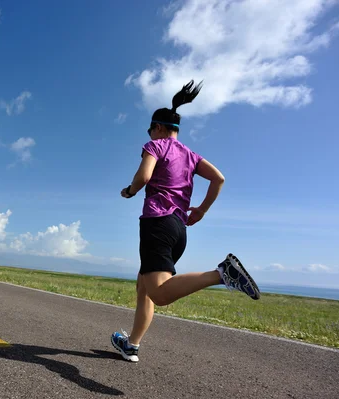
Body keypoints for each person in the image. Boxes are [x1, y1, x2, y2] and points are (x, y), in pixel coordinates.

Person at [111, 80, 260, 363]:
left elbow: (143, 178)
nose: (149, 135)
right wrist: (201, 210)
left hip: (157, 222)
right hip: (179, 228)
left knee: (160, 293)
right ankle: (131, 344)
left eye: (150, 130)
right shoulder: (190, 155)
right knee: (144, 287)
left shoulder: (155, 145)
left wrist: (129, 191)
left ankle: (223, 273)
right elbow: (219, 178)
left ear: (157, 128)